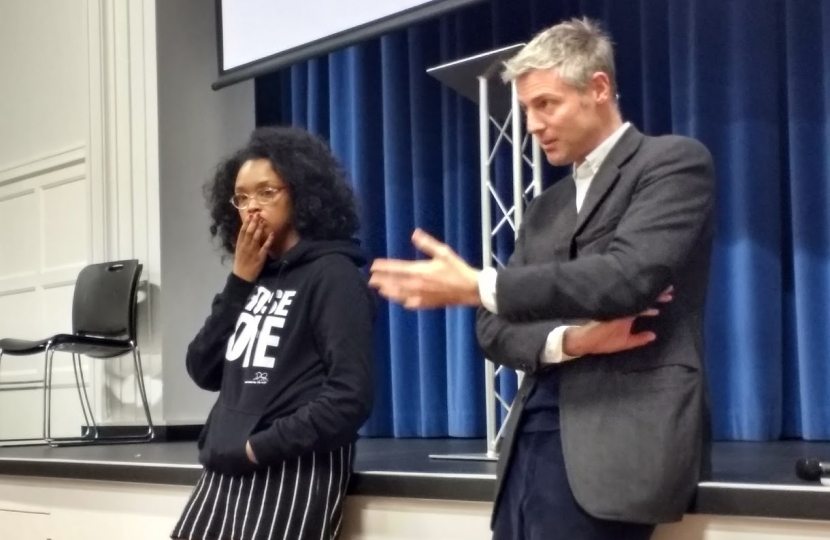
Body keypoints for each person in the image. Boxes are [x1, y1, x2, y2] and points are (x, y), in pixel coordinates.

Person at [369, 17, 715, 540]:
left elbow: (627, 278)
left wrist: (480, 285)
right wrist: (574, 339)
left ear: (598, 88)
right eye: (525, 109)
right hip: (528, 440)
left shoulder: (671, 164)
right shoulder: (544, 208)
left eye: (545, 104)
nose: (531, 125)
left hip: (617, 440)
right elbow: (493, 330)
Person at [172, 126, 374, 540]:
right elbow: (201, 367)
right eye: (242, 197)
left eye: (266, 192)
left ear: (301, 194)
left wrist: (257, 447)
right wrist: (239, 283)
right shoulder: (250, 278)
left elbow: (350, 396)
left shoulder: (333, 275)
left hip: (292, 470)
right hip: (226, 471)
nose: (252, 208)